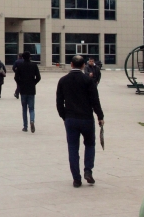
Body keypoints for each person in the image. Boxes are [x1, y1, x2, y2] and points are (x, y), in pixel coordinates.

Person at [56, 55, 105, 188]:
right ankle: (88, 170)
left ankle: (76, 178)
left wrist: (64, 116)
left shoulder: (63, 80)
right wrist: (100, 116)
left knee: (73, 148)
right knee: (90, 144)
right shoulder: (88, 81)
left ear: (71, 64)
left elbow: (59, 102)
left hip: (71, 118)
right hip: (86, 118)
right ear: (84, 65)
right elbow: (95, 100)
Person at [15, 51, 41, 133]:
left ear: (22, 57)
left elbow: (16, 77)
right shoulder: (34, 65)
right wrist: (34, 83)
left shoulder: (20, 66)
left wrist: (20, 84)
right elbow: (38, 77)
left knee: (24, 109)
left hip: (23, 89)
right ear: (30, 57)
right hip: (31, 89)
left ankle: (25, 126)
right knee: (31, 108)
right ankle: (32, 120)